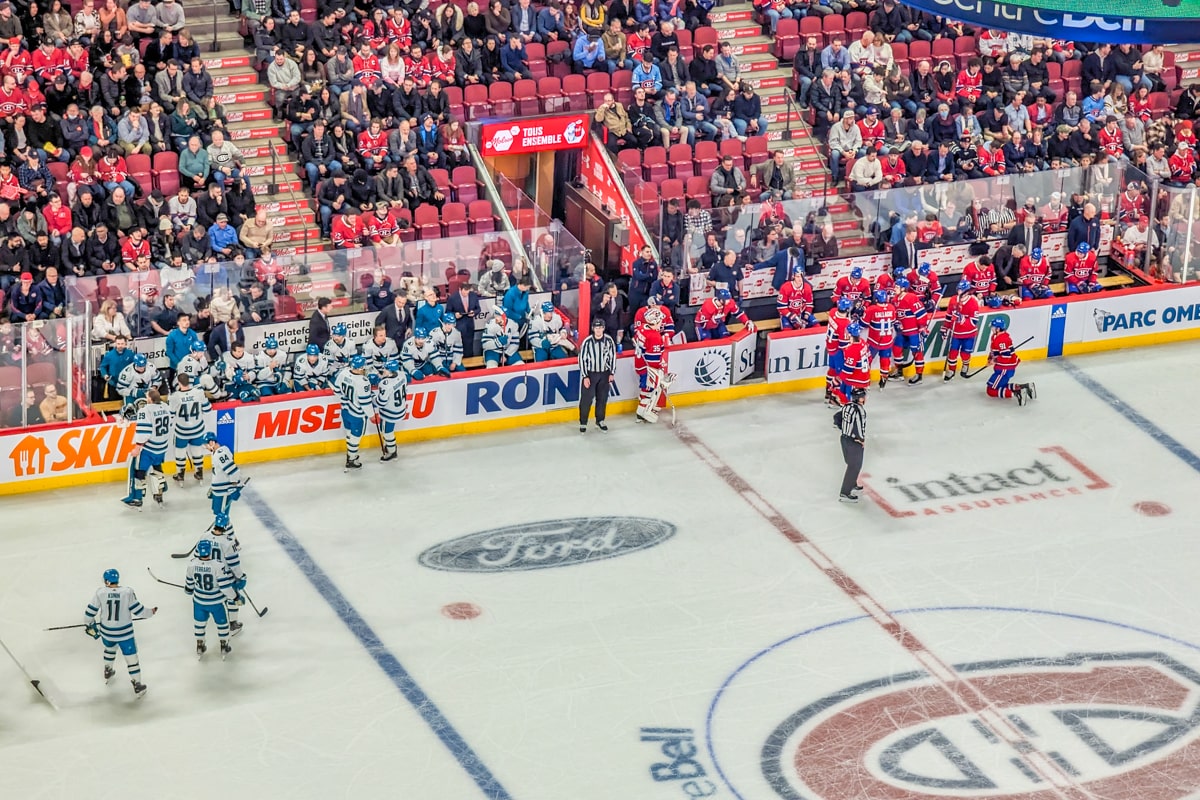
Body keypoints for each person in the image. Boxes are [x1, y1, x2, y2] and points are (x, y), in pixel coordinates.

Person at [84, 569, 156, 698]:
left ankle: (108, 669)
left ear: (106, 581)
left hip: (107, 632)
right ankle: (137, 684)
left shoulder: (100, 592)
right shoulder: (127, 592)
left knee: (109, 649)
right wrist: (151, 612)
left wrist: (89, 624)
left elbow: (90, 613)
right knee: (131, 658)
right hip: (125, 634)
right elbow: (138, 611)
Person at [185, 539, 238, 660]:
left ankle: (200, 645)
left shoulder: (192, 564)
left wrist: (189, 590)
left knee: (199, 624)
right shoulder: (218, 566)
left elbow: (189, 587)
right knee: (222, 624)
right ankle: (224, 645)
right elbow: (224, 587)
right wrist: (235, 596)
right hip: (216, 602)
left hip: (199, 602)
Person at [121, 388, 171, 508]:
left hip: (149, 447)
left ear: (149, 399)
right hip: (162, 445)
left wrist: (137, 447)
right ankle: (159, 494)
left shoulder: (145, 410)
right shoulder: (166, 407)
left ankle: (137, 498)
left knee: (139, 471)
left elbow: (144, 432)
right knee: (157, 468)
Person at [331, 356, 372, 470]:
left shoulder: (343, 372)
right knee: (356, 437)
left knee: (349, 435)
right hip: (357, 415)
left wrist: (346, 400)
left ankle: (350, 455)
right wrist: (372, 415)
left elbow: (337, 390)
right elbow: (365, 402)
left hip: (345, 411)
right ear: (361, 368)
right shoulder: (363, 381)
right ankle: (352, 460)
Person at [169, 373, 211, 484]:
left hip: (182, 431)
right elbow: (207, 409)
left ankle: (180, 474)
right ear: (189, 381)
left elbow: (171, 414)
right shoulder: (199, 393)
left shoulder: (174, 397)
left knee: (180, 452)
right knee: (197, 450)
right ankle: (199, 472)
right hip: (197, 429)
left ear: (178, 383)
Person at [578, 316, 616, 433]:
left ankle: (600, 421)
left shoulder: (609, 341)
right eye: (596, 327)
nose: (598, 330)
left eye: (600, 328)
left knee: (602, 398)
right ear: (593, 328)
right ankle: (583, 422)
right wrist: (585, 376)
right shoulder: (587, 342)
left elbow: (613, 357)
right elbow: (582, 359)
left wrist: (612, 372)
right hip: (591, 374)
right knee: (586, 399)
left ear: (603, 328)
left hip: (604, 374)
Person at [985, 317, 1036, 405]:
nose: (991, 329)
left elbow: (1006, 356)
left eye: (993, 327)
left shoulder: (1002, 340)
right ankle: (1025, 387)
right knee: (1001, 386)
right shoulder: (995, 337)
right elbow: (993, 350)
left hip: (1005, 368)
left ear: (998, 328)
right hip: (1003, 367)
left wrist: (995, 361)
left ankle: (1017, 393)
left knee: (991, 390)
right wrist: (990, 359)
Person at [635, 306, 671, 424]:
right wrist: (658, 368)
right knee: (648, 388)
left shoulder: (642, 328)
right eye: (660, 321)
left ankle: (645, 407)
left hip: (640, 363)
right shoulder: (654, 337)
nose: (661, 323)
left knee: (645, 387)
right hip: (648, 367)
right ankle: (641, 412)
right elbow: (653, 358)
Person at [942, 280, 981, 382]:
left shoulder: (973, 302)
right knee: (952, 353)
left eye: (962, 290)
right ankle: (951, 371)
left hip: (969, 334)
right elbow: (949, 315)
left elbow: (974, 321)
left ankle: (965, 365)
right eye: (959, 290)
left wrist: (962, 319)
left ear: (967, 292)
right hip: (956, 333)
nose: (959, 292)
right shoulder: (953, 300)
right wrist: (945, 327)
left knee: (965, 354)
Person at [891, 279, 928, 384]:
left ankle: (919, 375)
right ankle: (899, 372)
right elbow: (897, 316)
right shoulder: (895, 300)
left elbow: (921, 313)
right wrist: (897, 323)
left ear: (903, 288)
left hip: (913, 331)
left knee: (917, 352)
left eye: (897, 287)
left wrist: (922, 327)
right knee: (896, 348)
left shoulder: (911, 298)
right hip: (902, 332)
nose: (895, 289)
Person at [836, 386, 867, 503]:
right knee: (854, 466)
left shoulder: (847, 406)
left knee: (851, 464)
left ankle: (852, 484)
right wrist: (861, 439)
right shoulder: (860, 410)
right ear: (860, 399)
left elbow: (837, 418)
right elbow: (858, 427)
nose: (865, 398)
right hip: (854, 442)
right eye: (863, 396)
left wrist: (843, 429)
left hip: (844, 439)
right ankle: (845, 492)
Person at [373, 358, 407, 463]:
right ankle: (391, 446)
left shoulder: (385, 384)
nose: (384, 370)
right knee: (389, 431)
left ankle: (392, 452)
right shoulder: (402, 375)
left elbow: (381, 402)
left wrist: (372, 399)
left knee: (387, 433)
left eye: (386, 369)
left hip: (389, 413)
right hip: (400, 409)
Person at [861, 290, 897, 389]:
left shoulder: (871, 309)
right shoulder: (891, 307)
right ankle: (883, 379)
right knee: (885, 361)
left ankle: (865, 382)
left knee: (866, 361)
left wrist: (858, 317)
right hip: (888, 341)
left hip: (874, 341)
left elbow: (863, 324)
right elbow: (893, 321)